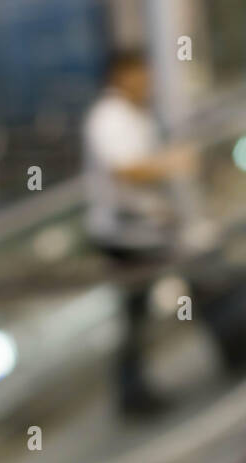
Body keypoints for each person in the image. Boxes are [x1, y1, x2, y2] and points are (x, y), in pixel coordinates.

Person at [83, 47, 197, 416]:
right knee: (134, 318)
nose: (146, 83)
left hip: (143, 230)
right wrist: (171, 164)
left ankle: (138, 391)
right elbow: (126, 171)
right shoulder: (108, 118)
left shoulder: (135, 116)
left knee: (140, 316)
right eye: (140, 75)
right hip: (123, 238)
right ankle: (133, 396)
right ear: (121, 76)